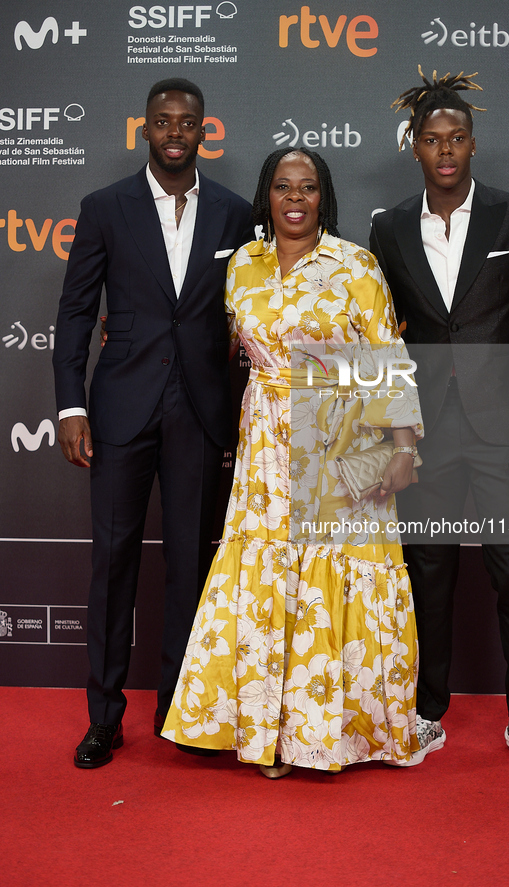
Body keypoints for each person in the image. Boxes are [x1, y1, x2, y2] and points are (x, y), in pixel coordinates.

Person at [162, 147, 424, 777]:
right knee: (264, 580)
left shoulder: (355, 264)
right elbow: (216, 344)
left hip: (341, 441)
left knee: (336, 574)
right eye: (283, 186)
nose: (296, 199)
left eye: (308, 188)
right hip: (265, 448)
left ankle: (336, 735)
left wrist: (405, 445)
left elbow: (388, 356)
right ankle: (267, 734)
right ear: (267, 194)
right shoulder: (243, 267)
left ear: (323, 197)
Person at [53, 78, 253, 769]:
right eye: (163, 121)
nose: (175, 130)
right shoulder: (104, 207)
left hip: (200, 408)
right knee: (112, 561)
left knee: (191, 565)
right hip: (120, 408)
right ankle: (103, 717)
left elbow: (251, 306)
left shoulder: (234, 212)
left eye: (187, 121)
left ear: (204, 130)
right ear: (145, 128)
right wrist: (71, 405)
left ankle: (181, 710)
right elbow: (77, 311)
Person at [370, 68, 509, 773]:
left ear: (472, 145)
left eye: (455, 139)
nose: (444, 150)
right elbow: (383, 335)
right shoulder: (386, 227)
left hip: (504, 429)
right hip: (426, 432)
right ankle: (426, 713)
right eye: (431, 139)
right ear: (413, 148)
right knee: (429, 575)